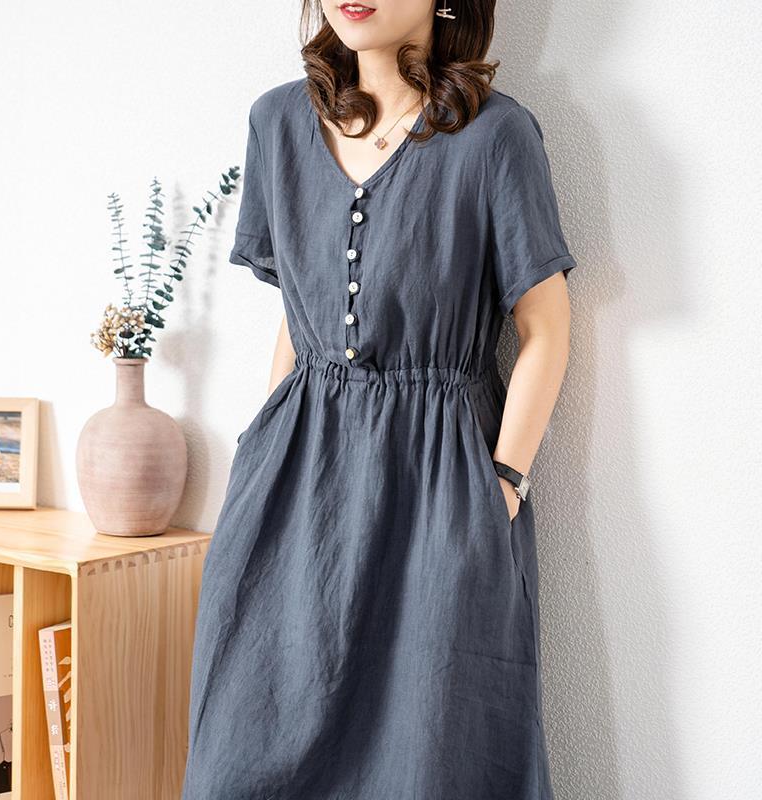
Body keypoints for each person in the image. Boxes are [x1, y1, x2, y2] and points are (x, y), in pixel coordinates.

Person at [182, 1, 578, 797]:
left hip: (439, 485)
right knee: (244, 741)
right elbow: (299, 314)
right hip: (295, 478)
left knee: (429, 749)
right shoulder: (278, 123)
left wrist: (502, 485)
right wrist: (263, 449)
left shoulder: (496, 136)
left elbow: (545, 328)